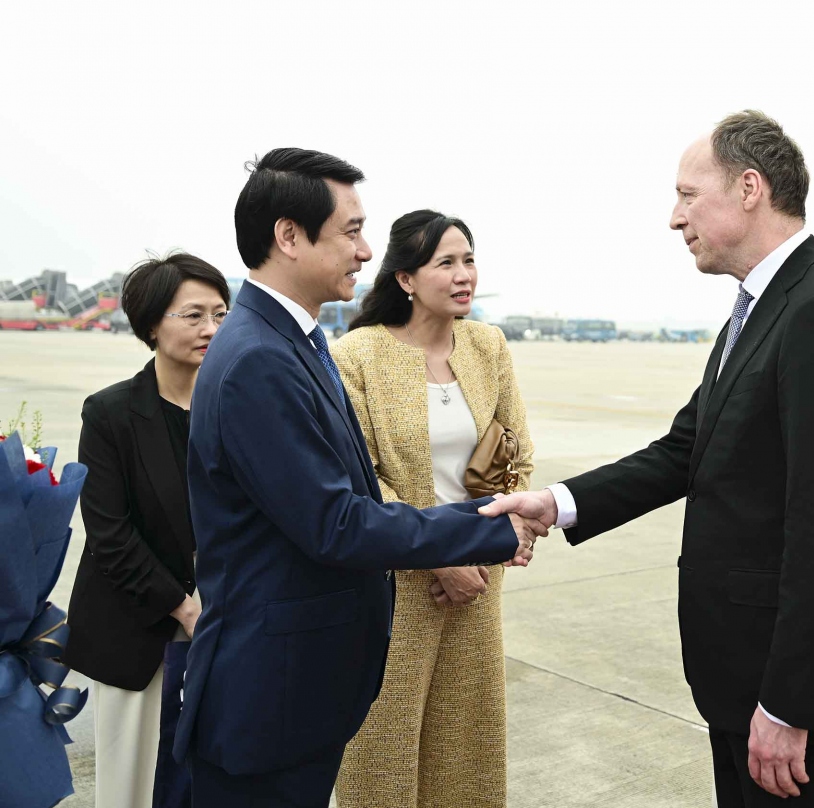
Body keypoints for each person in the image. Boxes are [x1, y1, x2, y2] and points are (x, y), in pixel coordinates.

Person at [483, 111, 814, 807]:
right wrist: (554, 504)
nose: (674, 218)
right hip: (743, 680)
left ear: (748, 188)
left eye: (687, 194)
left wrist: (787, 706)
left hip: (797, 702)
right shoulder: (761, 308)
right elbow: (686, 451)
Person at [173, 148, 542, 808]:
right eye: (350, 231)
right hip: (269, 695)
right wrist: (484, 530)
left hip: (301, 685)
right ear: (289, 236)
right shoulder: (258, 358)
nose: (366, 250)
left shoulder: (296, 340)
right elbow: (336, 522)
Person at [331, 210, 534, 808]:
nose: (464, 273)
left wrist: (494, 541)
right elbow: (360, 478)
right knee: (383, 749)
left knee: (468, 744)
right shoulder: (357, 355)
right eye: (446, 262)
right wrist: (439, 556)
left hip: (477, 579)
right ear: (405, 279)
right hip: (394, 584)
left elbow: (515, 453)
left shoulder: (487, 344)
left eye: (469, 259)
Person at [62, 252, 229, 808]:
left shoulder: (236, 407)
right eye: (194, 315)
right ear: (152, 324)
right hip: (140, 630)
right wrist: (184, 609)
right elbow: (109, 535)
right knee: (135, 787)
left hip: (230, 627)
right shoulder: (110, 413)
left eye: (222, 314)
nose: (212, 328)